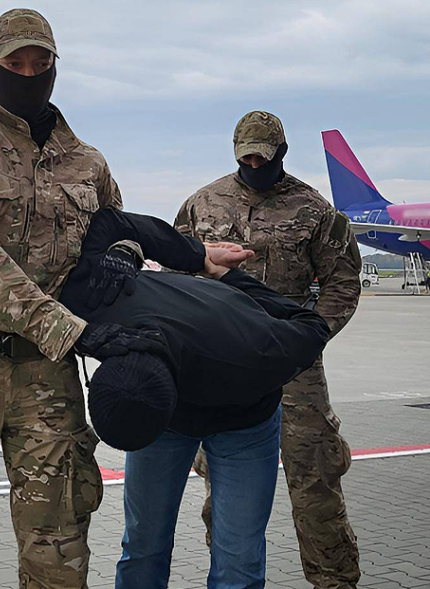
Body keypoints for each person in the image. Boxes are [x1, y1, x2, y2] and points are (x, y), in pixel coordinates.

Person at [0, 10, 251, 588]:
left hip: (48, 380)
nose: (28, 72)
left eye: (41, 62)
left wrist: (125, 254)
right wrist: (73, 331)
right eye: (15, 62)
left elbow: (120, 227)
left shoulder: (87, 162)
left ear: (55, 67)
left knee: (58, 551)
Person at [56, 207, 331, 589]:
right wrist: (190, 254)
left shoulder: (255, 352)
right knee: (143, 545)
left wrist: (227, 275)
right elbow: (112, 221)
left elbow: (312, 326)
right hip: (160, 413)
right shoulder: (93, 298)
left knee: (239, 558)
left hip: (244, 421)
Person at [175, 111, 363, 589]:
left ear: (281, 152)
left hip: (293, 369)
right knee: (223, 491)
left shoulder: (316, 211)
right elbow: (178, 279)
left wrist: (308, 335)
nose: (255, 163)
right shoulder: (202, 204)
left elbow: (342, 284)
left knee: (316, 482)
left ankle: (334, 581)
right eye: (246, 156)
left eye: (264, 155)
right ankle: (230, 578)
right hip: (225, 371)